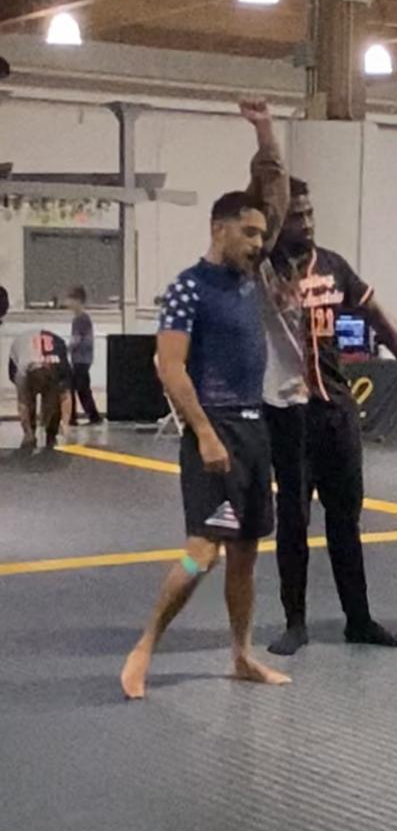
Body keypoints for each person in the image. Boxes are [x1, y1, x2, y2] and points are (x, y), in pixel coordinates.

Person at [120, 99, 291, 700]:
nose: (259, 242)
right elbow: (170, 368)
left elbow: (276, 196)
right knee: (203, 553)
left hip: (253, 430)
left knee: (245, 553)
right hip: (213, 431)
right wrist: (206, 433)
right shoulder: (188, 289)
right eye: (249, 232)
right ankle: (145, 646)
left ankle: (241, 654)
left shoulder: (251, 278)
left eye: (262, 234)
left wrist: (265, 132)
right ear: (219, 229)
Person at [263, 178, 397, 657]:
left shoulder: (334, 267)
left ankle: (359, 618)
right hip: (289, 415)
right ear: (279, 220)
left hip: (336, 412)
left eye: (310, 213)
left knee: (346, 519)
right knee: (293, 519)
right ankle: (295, 622)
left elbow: (379, 315)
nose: (307, 223)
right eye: (297, 216)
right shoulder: (263, 270)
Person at [8, 327, 72, 451]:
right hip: (22, 350)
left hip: (50, 359)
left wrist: (65, 424)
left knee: (53, 401)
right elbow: (22, 404)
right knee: (28, 401)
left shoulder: (60, 367)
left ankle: (51, 432)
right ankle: (31, 433)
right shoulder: (21, 373)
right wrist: (28, 432)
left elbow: (65, 396)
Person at [67, 285, 102, 425]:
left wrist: (66, 349)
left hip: (80, 358)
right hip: (83, 358)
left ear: (78, 301)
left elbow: (76, 339)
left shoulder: (80, 319)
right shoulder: (81, 318)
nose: (69, 303)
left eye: (71, 299)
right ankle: (91, 416)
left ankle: (75, 417)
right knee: (81, 388)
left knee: (76, 387)